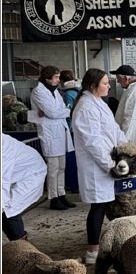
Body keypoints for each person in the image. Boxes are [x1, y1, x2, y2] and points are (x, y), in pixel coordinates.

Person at [72, 68, 127, 264]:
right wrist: (109, 164)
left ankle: (95, 249)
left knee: (102, 205)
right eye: (105, 83)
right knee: (98, 206)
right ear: (92, 85)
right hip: (96, 166)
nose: (109, 85)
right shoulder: (86, 107)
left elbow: (114, 130)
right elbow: (93, 142)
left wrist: (127, 147)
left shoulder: (98, 103)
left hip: (105, 161)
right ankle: (92, 253)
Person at [30, 65, 75, 210]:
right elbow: (52, 112)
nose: (58, 79)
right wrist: (64, 111)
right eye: (55, 77)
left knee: (62, 166)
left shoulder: (55, 92)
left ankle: (61, 194)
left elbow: (60, 110)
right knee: (53, 168)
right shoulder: (39, 91)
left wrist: (61, 111)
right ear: (47, 78)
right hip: (49, 134)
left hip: (60, 132)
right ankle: (53, 197)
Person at [2, 133, 47, 241]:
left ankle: (21, 248)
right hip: (15, 175)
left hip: (32, 175)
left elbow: (2, 182)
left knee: (9, 209)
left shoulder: (3, 146)